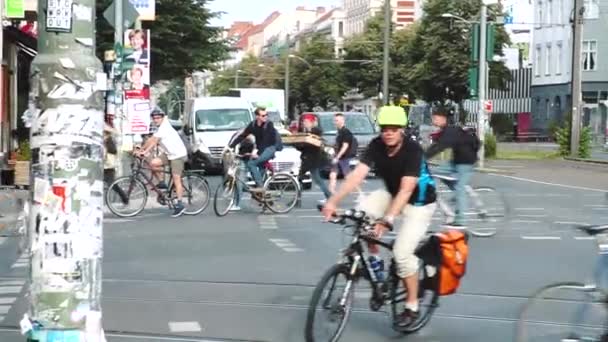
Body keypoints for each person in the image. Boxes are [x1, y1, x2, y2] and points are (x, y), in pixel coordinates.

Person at [322, 105, 437, 328]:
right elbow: (357, 175)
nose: (388, 132)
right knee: (361, 217)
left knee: (402, 255)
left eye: (394, 128)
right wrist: (332, 201)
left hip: (419, 203)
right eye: (385, 128)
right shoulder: (377, 145)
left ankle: (412, 305)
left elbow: (406, 190)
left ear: (401, 129)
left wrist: (388, 220)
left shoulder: (412, 150)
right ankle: (376, 267)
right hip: (391, 194)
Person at [425, 108, 479, 228]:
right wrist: (422, 156)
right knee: (437, 172)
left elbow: (440, 147)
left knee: (460, 188)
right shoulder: (446, 130)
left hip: (466, 162)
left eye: (435, 118)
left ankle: (461, 220)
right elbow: (435, 146)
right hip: (455, 161)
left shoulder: (450, 131)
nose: (433, 120)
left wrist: (423, 158)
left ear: (443, 118)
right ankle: (458, 194)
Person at [136, 108, 188, 217]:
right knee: (153, 163)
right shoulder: (159, 128)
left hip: (177, 155)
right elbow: (151, 140)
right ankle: (162, 183)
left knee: (176, 179)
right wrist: (141, 149)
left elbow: (154, 142)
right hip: (168, 154)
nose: (156, 120)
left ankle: (180, 205)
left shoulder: (165, 127)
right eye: (154, 118)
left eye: (158, 117)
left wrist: (144, 151)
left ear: (163, 117)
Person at [229, 106, 278, 193]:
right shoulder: (253, 125)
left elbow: (265, 141)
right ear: (257, 116)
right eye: (263, 115)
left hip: (269, 148)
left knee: (251, 163)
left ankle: (260, 187)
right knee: (259, 166)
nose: (265, 117)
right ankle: (264, 196)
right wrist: (231, 146)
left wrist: (257, 152)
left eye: (266, 115)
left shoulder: (268, 125)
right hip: (262, 149)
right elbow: (243, 135)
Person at [295, 113, 331, 201]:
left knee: (318, 180)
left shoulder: (315, 132)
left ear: (311, 122)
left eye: (306, 121)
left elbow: (311, 146)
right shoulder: (307, 132)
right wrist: (297, 144)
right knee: (300, 178)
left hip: (313, 160)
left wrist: (300, 144)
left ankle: (330, 197)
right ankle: (296, 199)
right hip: (308, 160)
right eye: (304, 122)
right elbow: (304, 147)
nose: (304, 123)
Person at [328, 113, 359, 195]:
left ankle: (359, 192)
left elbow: (345, 146)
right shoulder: (339, 132)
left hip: (344, 157)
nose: (335, 122)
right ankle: (331, 192)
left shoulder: (346, 132)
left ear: (342, 121)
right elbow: (338, 144)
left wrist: (337, 157)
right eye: (334, 120)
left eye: (337, 120)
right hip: (338, 156)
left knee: (348, 176)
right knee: (333, 174)